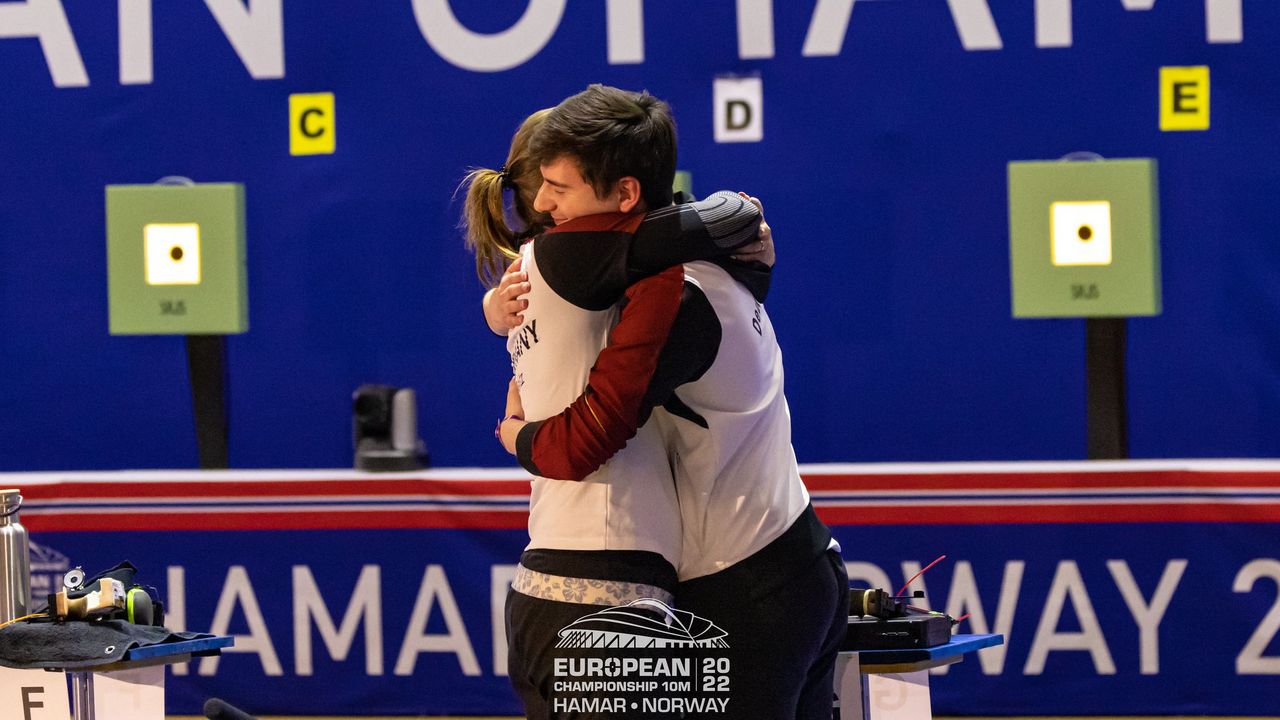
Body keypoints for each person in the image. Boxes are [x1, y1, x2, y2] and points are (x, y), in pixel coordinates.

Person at [496, 84, 849, 720]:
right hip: (797, 560)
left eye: (559, 188)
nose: (544, 211)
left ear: (627, 195)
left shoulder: (673, 298)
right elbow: (716, 218)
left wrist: (517, 433)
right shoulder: (714, 270)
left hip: (748, 582)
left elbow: (582, 441)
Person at [462, 105, 766, 720]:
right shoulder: (577, 259)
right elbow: (712, 221)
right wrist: (739, 225)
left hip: (549, 581)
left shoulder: (537, 275)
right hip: (606, 588)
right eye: (552, 183)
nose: (552, 199)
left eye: (562, 184)